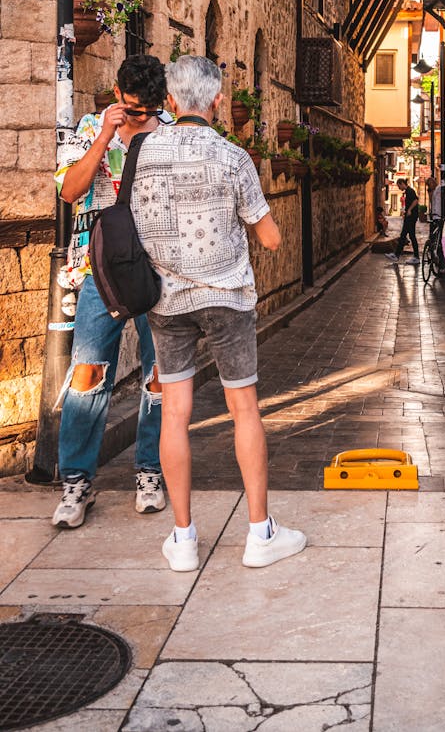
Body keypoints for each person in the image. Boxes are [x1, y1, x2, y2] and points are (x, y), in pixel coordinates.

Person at [130, 55, 306, 573]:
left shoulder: (141, 153)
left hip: (165, 300)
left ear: (168, 102)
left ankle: (183, 540)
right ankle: (260, 534)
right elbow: (271, 239)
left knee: (175, 413)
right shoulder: (233, 158)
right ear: (216, 101)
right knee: (244, 410)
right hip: (227, 299)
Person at [52, 55, 169, 529]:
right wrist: (104, 136)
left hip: (156, 270)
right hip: (100, 270)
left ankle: (150, 472)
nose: (139, 118)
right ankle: (77, 483)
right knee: (87, 373)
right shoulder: (87, 128)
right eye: (132, 109)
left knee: (160, 377)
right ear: (118, 96)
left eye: (147, 111)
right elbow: (68, 190)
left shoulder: (170, 136)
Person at [385, 177, 419, 265]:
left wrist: (409, 210)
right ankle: (396, 255)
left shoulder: (410, 191)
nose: (399, 188)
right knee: (404, 235)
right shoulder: (407, 192)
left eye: (399, 186)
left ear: (401, 183)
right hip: (409, 217)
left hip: (411, 217)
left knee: (411, 236)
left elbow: (415, 200)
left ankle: (416, 257)